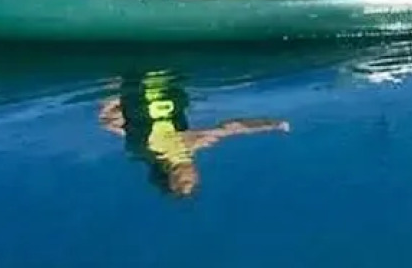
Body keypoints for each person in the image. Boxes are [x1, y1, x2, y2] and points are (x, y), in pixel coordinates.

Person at [98, 69, 290, 198]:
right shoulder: (193, 143)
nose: (190, 176)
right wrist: (270, 124)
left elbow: (110, 120)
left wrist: (113, 92)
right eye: (193, 180)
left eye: (183, 181)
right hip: (168, 78)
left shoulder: (144, 148)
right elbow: (234, 127)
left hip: (135, 80)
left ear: (170, 178)